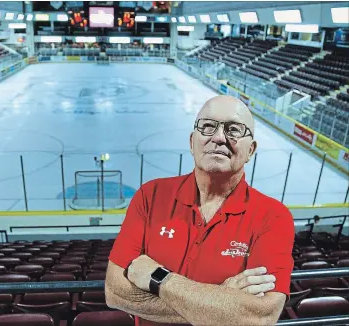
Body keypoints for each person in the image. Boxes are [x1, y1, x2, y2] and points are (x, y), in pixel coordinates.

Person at [105, 95, 295, 326]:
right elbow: (115, 292)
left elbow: (260, 316)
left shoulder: (273, 217)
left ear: (251, 150)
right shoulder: (150, 195)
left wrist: (159, 279)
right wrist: (221, 302)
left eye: (234, 130)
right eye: (207, 126)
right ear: (192, 141)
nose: (218, 137)